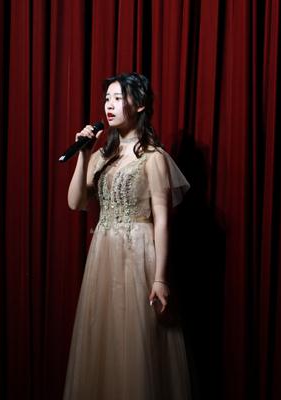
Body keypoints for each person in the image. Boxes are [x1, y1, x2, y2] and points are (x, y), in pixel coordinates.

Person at [63, 72, 192, 400]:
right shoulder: (100, 156)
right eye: (107, 98)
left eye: (118, 98)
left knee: (136, 343)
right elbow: (75, 202)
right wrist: (83, 153)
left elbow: (162, 221)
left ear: (140, 104)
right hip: (103, 254)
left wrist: (160, 278)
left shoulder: (153, 157)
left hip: (138, 254)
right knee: (103, 339)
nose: (109, 105)